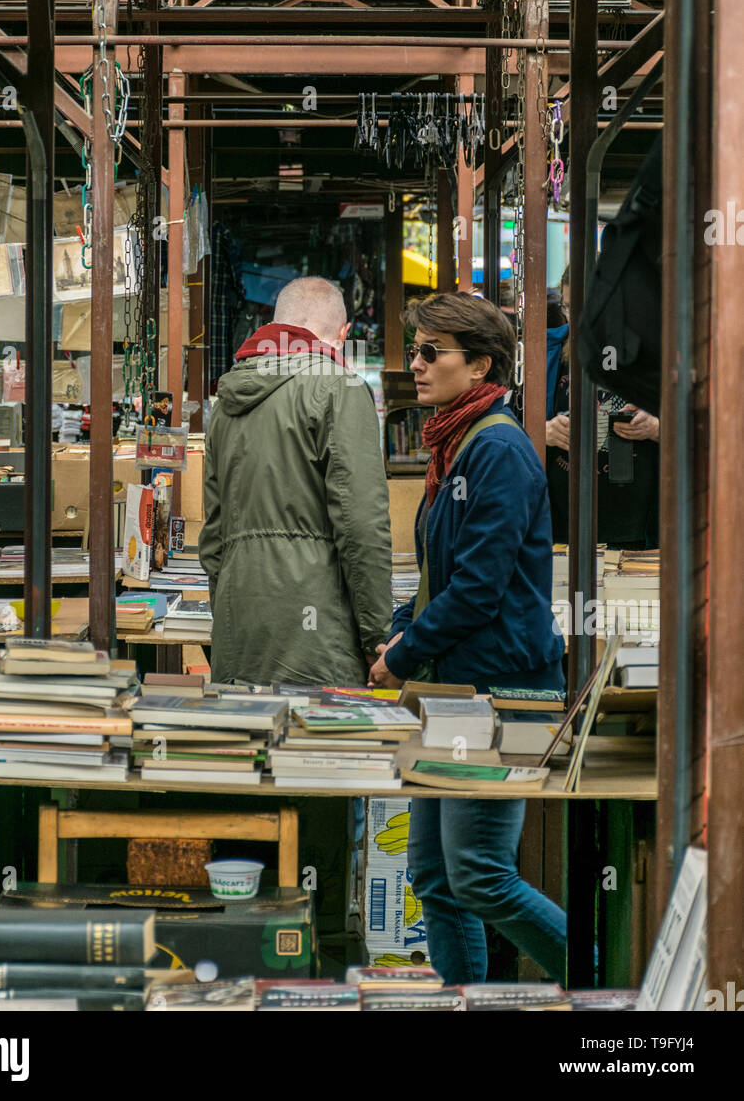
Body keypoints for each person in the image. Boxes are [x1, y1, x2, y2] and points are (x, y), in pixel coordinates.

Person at [368, 292, 567, 985]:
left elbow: (479, 588)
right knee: (436, 875)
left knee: (480, 874)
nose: (415, 365)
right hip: (456, 689)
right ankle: (466, 1002)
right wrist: (401, 632)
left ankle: (615, 982)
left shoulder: (499, 449)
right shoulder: (451, 445)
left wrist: (406, 651)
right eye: (416, 350)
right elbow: (436, 572)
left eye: (431, 352)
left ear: (480, 364)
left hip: (501, 691)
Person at [199, 276, 392, 686]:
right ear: (342, 334)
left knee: (248, 747)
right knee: (317, 748)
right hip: (319, 634)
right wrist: (378, 638)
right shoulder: (341, 387)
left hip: (240, 628)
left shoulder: (225, 403)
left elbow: (213, 536)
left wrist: (230, 612)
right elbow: (362, 528)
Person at [546, 266, 660, 548]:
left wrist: (659, 427)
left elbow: (705, 429)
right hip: (562, 520)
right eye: (570, 307)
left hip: (642, 522)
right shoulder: (547, 350)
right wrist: (543, 430)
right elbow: (511, 427)